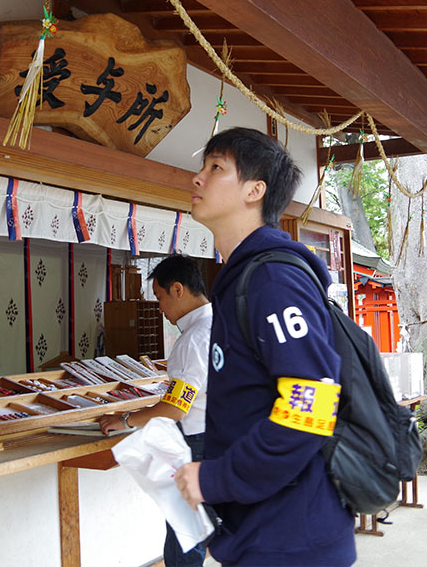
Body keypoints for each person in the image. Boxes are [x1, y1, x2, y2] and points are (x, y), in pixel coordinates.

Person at [174, 127, 355, 566]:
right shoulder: (243, 277)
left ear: (256, 190)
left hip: (293, 539)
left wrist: (215, 478)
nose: (197, 178)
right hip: (262, 534)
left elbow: (311, 404)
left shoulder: (272, 279)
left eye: (216, 168)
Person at [99, 253, 212, 567]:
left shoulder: (194, 339)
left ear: (178, 290)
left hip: (198, 442)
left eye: (160, 298)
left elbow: (176, 407)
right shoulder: (221, 324)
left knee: (185, 537)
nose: (159, 309)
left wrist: (125, 420)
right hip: (220, 437)